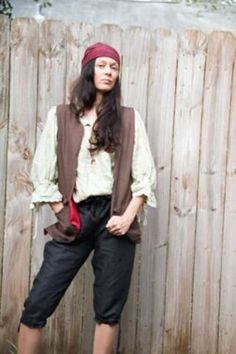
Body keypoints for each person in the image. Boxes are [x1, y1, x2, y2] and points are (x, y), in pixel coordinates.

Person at [17, 42, 156, 354]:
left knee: (108, 310)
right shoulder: (61, 116)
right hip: (76, 216)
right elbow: (43, 172)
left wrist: (128, 216)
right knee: (36, 306)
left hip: (115, 215)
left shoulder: (129, 119)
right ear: (89, 69)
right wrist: (63, 212)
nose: (109, 72)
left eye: (114, 67)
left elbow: (144, 177)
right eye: (103, 65)